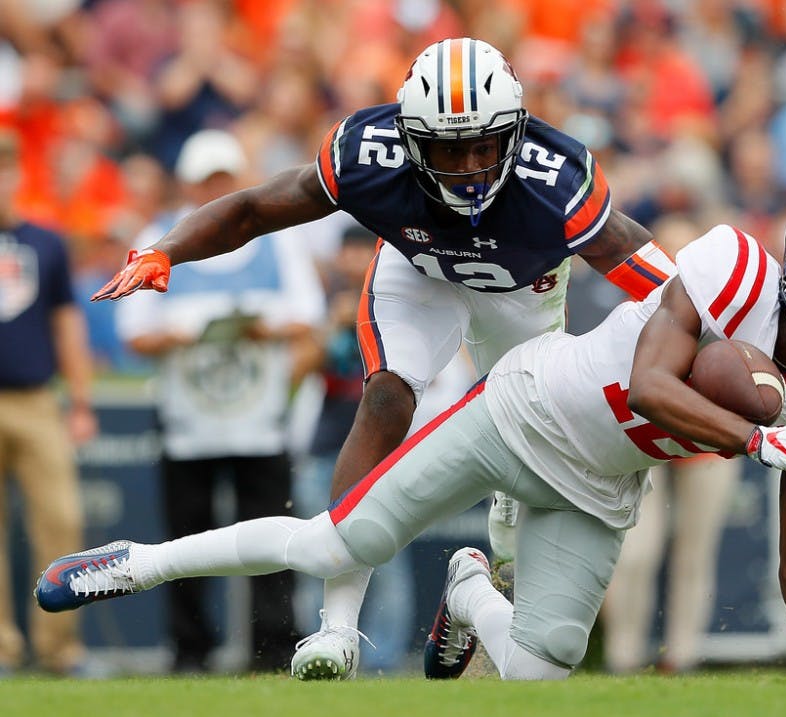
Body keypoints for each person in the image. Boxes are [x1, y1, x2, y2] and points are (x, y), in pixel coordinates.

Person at [41, 213, 786, 683]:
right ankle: (135, 563)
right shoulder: (732, 261)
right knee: (334, 543)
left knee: (542, 671)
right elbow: (655, 384)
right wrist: (759, 436)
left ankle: (469, 590)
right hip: (524, 406)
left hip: (601, 485)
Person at [88, 37, 670, 680]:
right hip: (418, 270)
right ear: (411, 140)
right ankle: (338, 627)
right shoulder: (369, 154)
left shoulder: (555, 178)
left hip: (519, 293)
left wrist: (728, 335)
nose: (472, 165)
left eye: (485, 145)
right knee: (387, 396)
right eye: (450, 149)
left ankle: (483, 578)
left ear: (516, 133)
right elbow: (256, 207)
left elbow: (660, 281)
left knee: (533, 442)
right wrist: (168, 248)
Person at [114, 128, 325, 673]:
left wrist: (261, 330)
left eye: (224, 179)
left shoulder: (276, 241)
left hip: (260, 422)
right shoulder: (157, 238)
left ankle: (276, 648)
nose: (216, 188)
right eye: (207, 180)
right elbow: (132, 329)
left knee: (274, 539)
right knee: (186, 540)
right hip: (190, 424)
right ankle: (191, 650)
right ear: (188, 185)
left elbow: (308, 315)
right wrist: (179, 337)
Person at [0, 128, 98, 676]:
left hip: (37, 399)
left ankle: (59, 648)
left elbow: (67, 324)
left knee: (61, 518)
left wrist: (80, 401)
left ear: (18, 176)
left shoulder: (47, 242)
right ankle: (2, 650)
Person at [601, 454, 739, 675]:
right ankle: (621, 659)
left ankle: (683, 658)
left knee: (694, 555)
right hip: (641, 435)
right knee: (634, 554)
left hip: (710, 437)